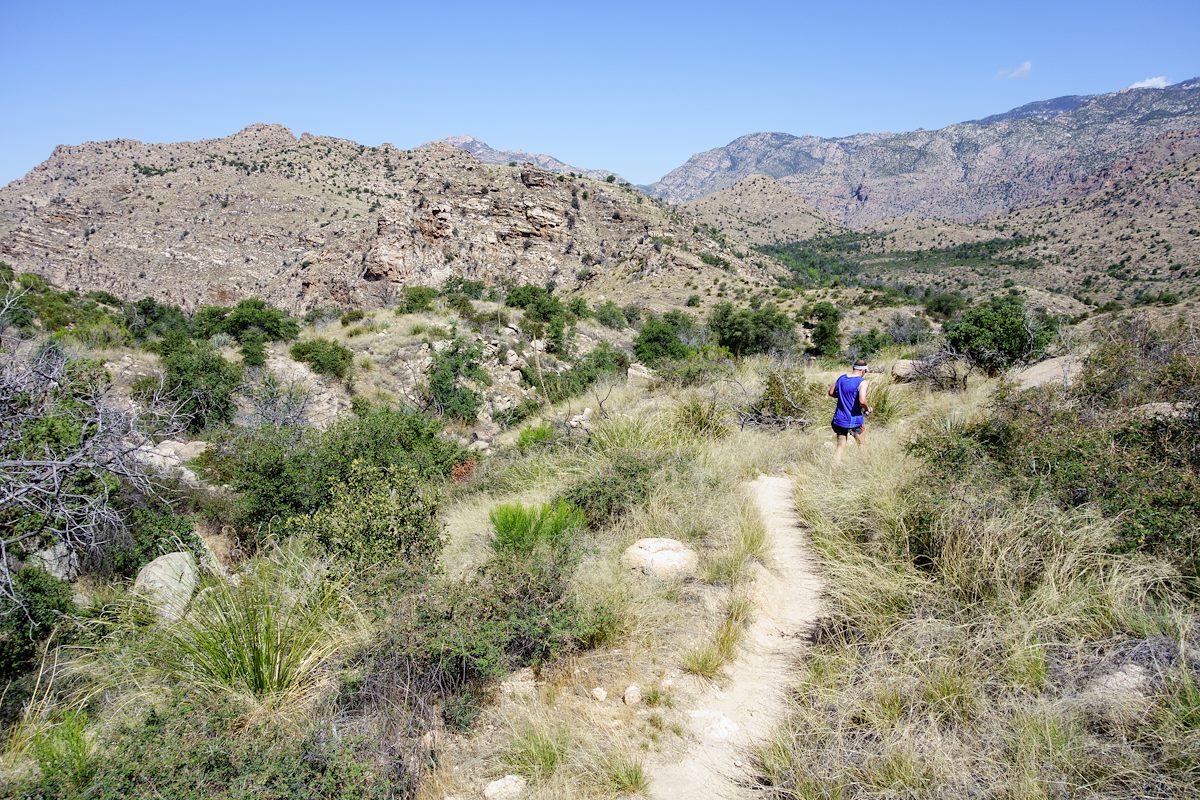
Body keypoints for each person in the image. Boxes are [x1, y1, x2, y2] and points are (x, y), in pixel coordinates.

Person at [828, 358, 872, 462]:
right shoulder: (862, 382)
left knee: (840, 446)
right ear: (862, 370)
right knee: (861, 444)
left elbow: (831, 393)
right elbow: (862, 400)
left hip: (839, 419)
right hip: (854, 420)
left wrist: (842, 397)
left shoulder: (841, 378)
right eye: (865, 372)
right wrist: (867, 409)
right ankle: (865, 466)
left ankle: (833, 468)